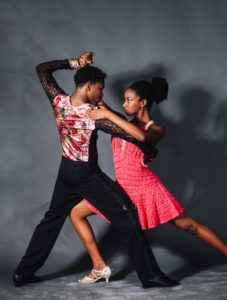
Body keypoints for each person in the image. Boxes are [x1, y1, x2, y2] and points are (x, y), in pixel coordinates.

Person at [12, 52, 179, 289]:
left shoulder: (58, 100)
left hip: (66, 172)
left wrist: (75, 63)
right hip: (85, 175)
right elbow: (136, 135)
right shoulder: (94, 116)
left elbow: (42, 69)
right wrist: (147, 148)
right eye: (100, 89)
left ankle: (22, 273)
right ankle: (150, 276)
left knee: (52, 219)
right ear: (89, 86)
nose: (101, 94)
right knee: (128, 215)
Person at [70, 78, 227, 285]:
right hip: (121, 187)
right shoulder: (122, 122)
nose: (124, 104)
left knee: (189, 226)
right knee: (77, 213)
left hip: (145, 188)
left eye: (129, 100)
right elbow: (104, 105)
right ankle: (99, 266)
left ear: (143, 103)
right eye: (123, 100)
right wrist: (86, 79)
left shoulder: (156, 129)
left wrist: (107, 113)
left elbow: (141, 136)